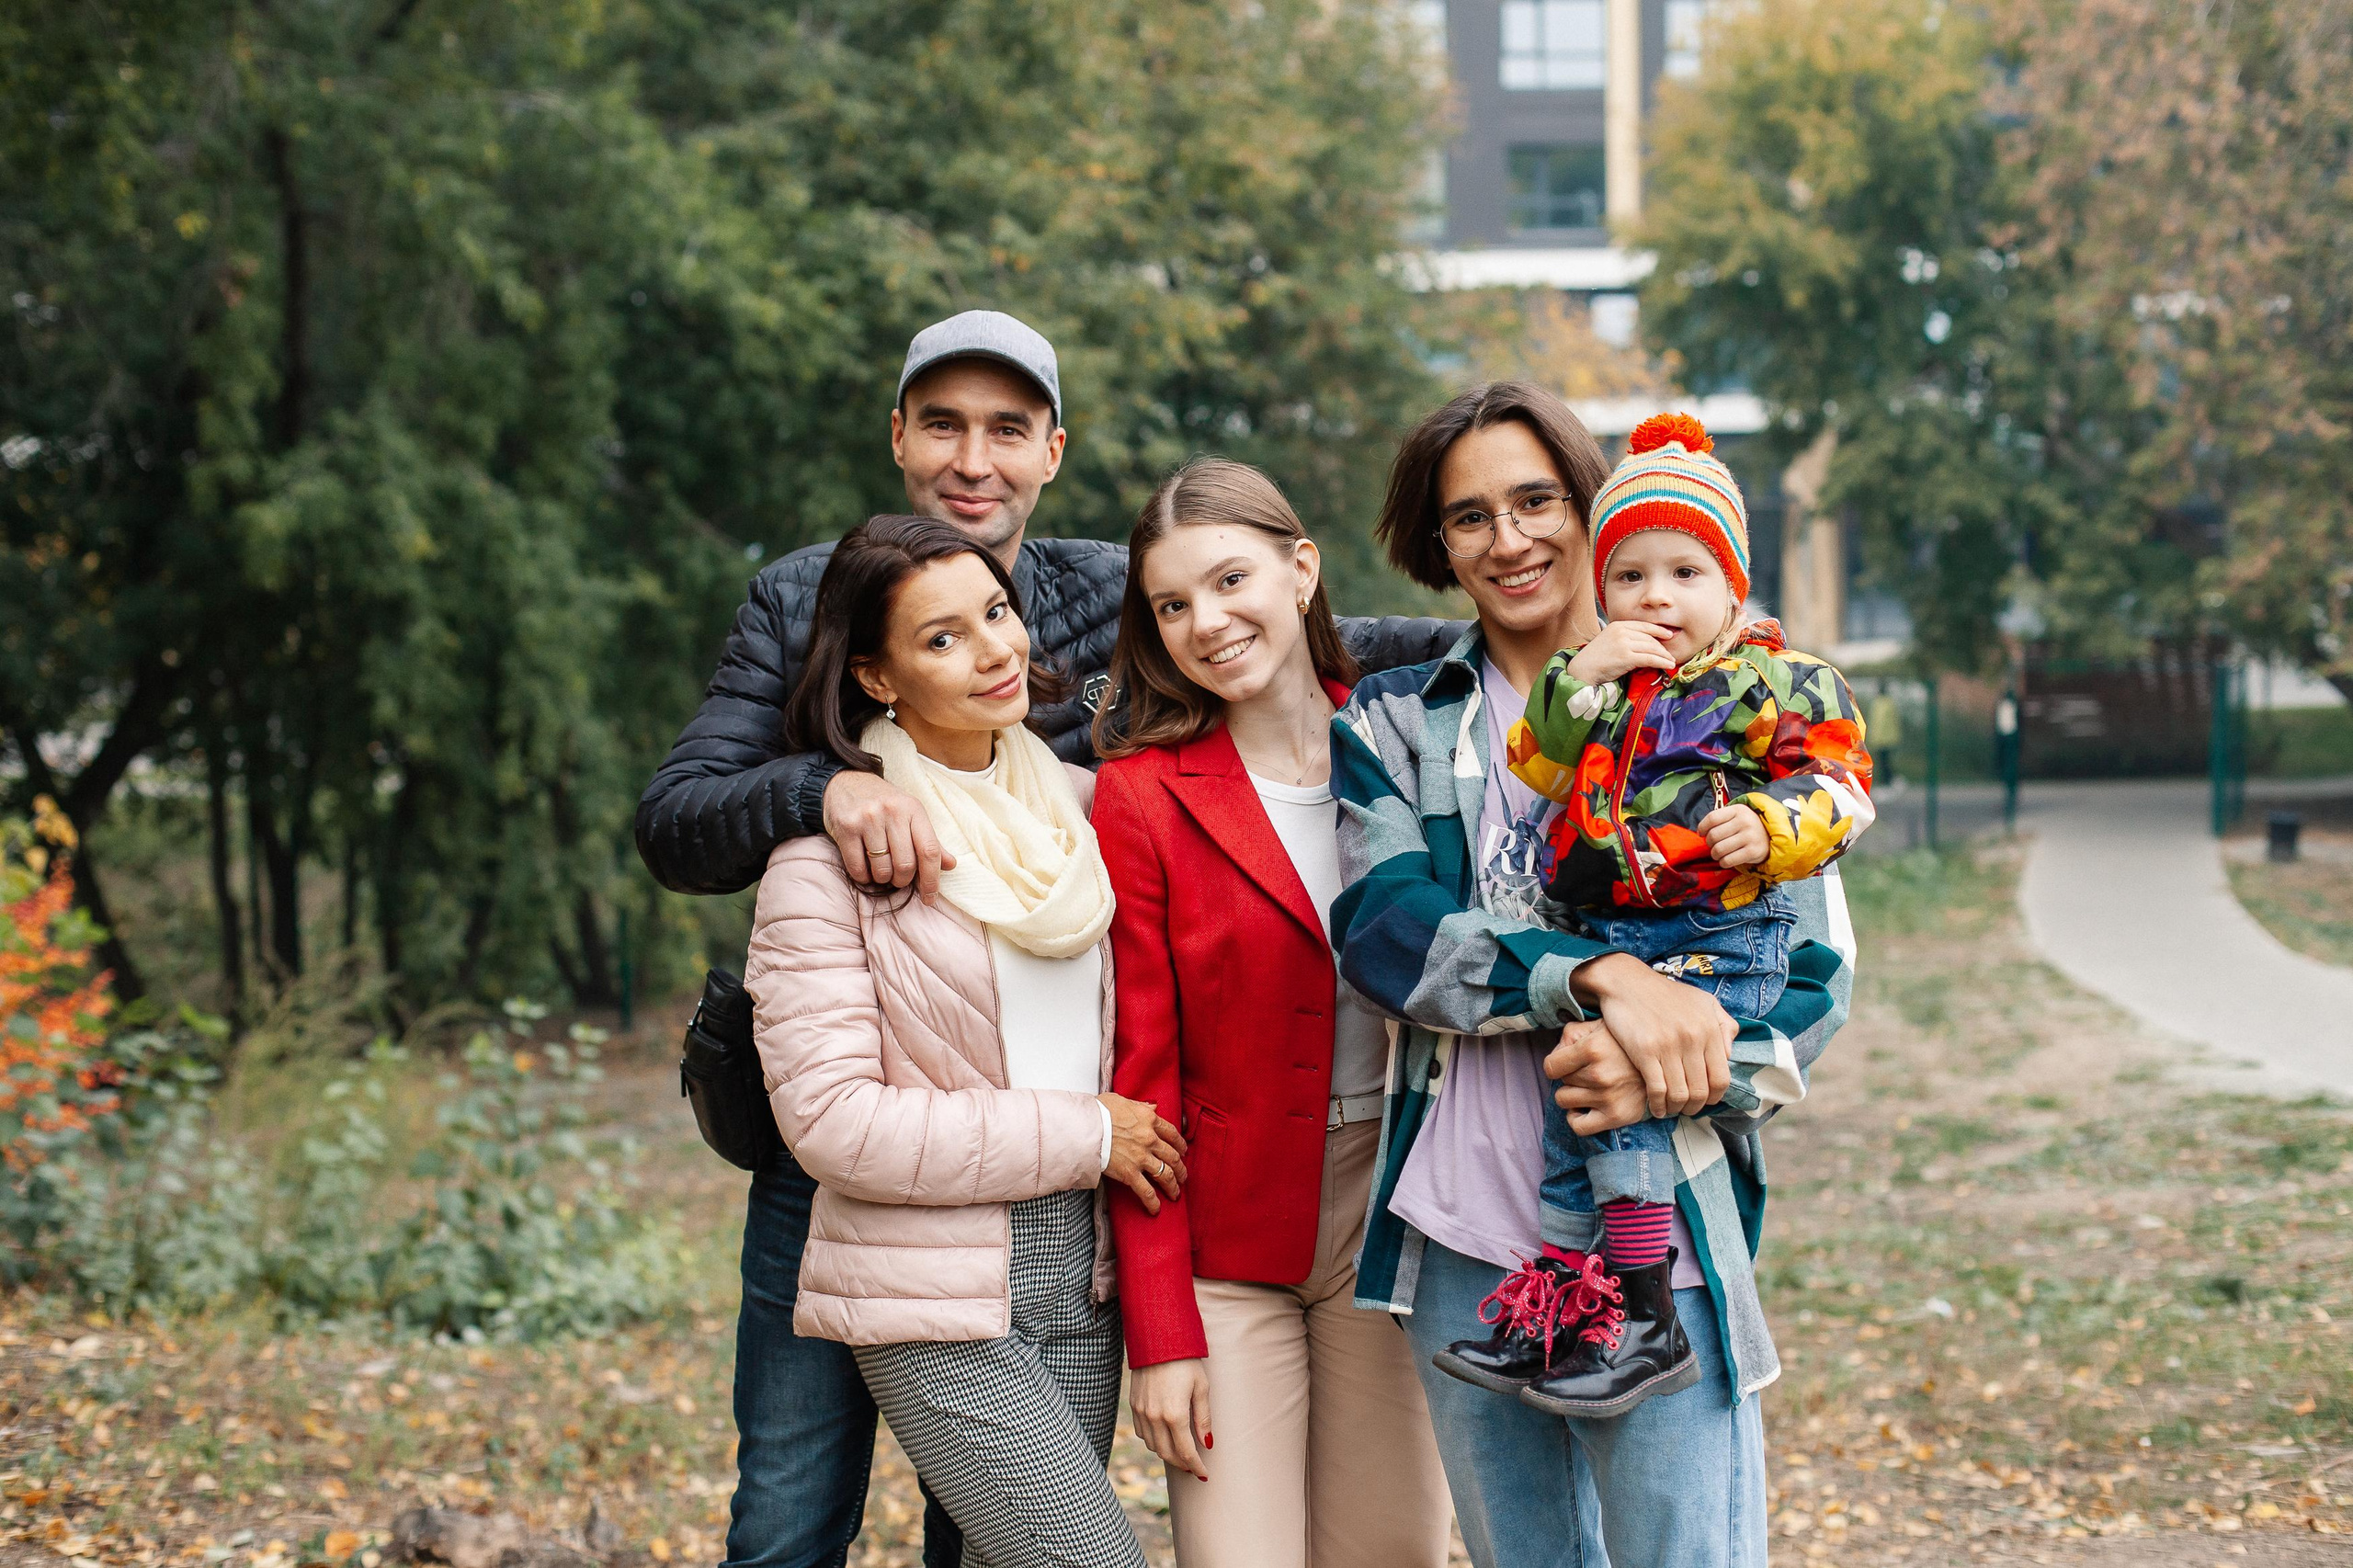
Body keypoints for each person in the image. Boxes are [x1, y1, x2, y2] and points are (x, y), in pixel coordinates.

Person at [634, 311, 1458, 1568]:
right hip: (861, 1168)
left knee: (997, 1541)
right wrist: (827, 789)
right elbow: (677, 818)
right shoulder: (801, 596)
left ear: (1051, 450)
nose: (976, 458)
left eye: (1008, 430)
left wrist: (1603, 637)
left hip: (1063, 1219)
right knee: (794, 1510)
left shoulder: (1096, 630)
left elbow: (1311, 637)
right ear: (899, 434)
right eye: (946, 424)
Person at [1328, 381, 1857, 1568]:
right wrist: (1600, 977)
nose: (1508, 539)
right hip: (1466, 1234)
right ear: (1438, 541)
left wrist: (1685, 1066)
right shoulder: (1397, 720)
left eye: (1536, 500)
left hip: (1662, 1225)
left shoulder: (1727, 709)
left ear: (1593, 507)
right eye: (1469, 516)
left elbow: (1813, 973)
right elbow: (1384, 930)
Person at [746, 514, 1186, 1568]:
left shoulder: (1088, 813)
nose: (994, 649)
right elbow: (835, 1124)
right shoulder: (824, 867)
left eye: (995, 613)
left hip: (1085, 1272)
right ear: (878, 676)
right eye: (940, 638)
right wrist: (1085, 1134)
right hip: (930, 1284)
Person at [1435, 413, 1873, 1425]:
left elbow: (1843, 783)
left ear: (1731, 589)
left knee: (1623, 1103)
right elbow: (1534, 765)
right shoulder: (1605, 690)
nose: (1654, 597)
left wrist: (1771, 824)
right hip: (1615, 940)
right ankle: (1557, 1293)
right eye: (1629, 576)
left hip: (1717, 940)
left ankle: (1644, 1313)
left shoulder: (1769, 681)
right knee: (1570, 1117)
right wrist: (1576, 682)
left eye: (1683, 573)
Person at [1088, 459, 1452, 1568]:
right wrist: (1161, 1333)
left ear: (1301, 571)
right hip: (1227, 1243)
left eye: (1230, 578)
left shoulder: (1407, 745)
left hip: (1394, 1220)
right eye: (1171, 603)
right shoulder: (1142, 794)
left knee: (1390, 1549)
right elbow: (1137, 1075)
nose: (1207, 621)